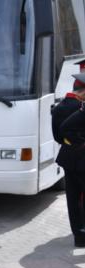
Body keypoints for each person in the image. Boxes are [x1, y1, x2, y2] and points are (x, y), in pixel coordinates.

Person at [57, 73, 85, 247]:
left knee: (73, 199)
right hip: (81, 159)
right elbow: (66, 127)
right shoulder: (80, 108)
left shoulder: (60, 107)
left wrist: (71, 143)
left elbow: (58, 135)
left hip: (68, 157)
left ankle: (79, 237)